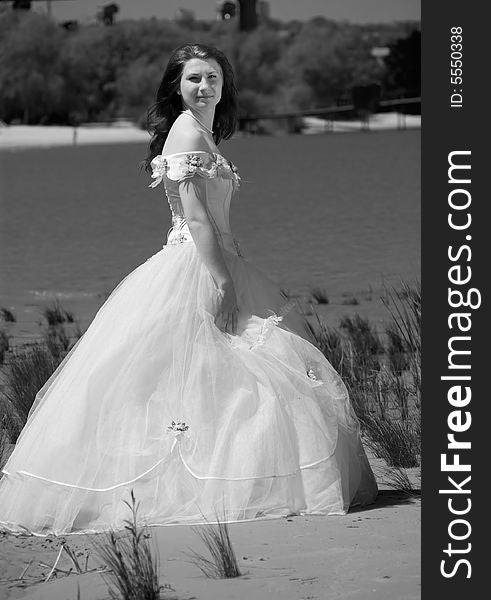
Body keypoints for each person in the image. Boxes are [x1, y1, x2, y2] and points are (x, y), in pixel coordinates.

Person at [0, 44, 377, 536]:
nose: (205, 87)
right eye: (195, 78)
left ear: (225, 86)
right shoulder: (184, 129)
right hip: (197, 264)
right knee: (215, 374)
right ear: (177, 86)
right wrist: (221, 280)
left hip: (221, 258)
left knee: (228, 378)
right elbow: (196, 215)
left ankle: (230, 482)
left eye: (214, 78)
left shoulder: (203, 133)